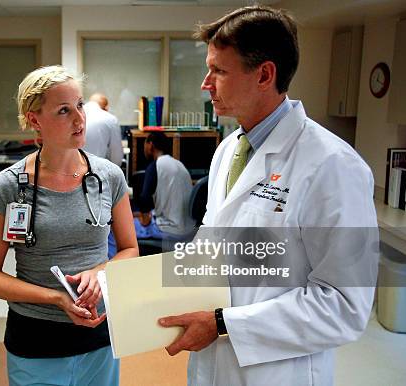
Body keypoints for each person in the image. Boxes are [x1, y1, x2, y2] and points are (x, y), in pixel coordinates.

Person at [158, 6, 378, 386]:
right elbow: (212, 243)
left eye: (219, 71)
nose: (205, 83)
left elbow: (344, 306)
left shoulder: (333, 166)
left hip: (277, 372)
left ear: (264, 74)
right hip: (212, 364)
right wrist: (135, 292)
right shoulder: (228, 151)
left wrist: (225, 324)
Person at [0, 66, 138, 386]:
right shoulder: (11, 186)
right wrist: (56, 298)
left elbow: (130, 249)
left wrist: (101, 273)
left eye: (79, 105)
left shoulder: (108, 177)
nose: (79, 119)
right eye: (64, 110)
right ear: (35, 120)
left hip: (99, 331)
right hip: (36, 339)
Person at [135, 132, 195, 241]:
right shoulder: (179, 164)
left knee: (118, 229)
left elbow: (144, 199)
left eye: (145, 144)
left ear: (151, 145)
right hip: (189, 229)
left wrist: (145, 222)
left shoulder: (155, 166)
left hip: (170, 230)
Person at [82, 93, 124, 166]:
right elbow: (116, 156)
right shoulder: (110, 119)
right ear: (106, 108)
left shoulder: (76, 115)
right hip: (97, 170)